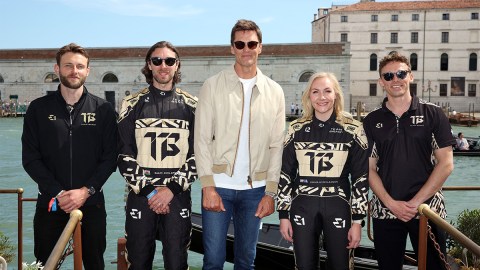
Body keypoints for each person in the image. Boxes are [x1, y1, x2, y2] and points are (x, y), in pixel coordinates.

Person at [194, 19, 286, 269]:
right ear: (232, 48)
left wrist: (270, 191)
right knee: (212, 260)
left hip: (256, 190)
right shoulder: (212, 86)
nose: (246, 48)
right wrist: (207, 186)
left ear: (260, 47)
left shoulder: (275, 91)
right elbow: (201, 139)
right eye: (240, 43)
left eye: (251, 43)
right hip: (219, 186)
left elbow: (277, 146)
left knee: (246, 260)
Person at [21, 43, 118, 269]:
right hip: (52, 203)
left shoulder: (103, 110)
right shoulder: (38, 109)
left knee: (95, 264)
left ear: (87, 71)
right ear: (57, 69)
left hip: (92, 204)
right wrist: (59, 192)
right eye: (68, 66)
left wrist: (86, 191)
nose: (74, 71)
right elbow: (30, 159)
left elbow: (110, 158)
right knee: (45, 263)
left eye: (80, 66)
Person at [363, 51, 455, 270]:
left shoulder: (433, 114)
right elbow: (368, 168)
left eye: (401, 73)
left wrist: (416, 204)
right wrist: (391, 203)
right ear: (381, 82)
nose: (395, 79)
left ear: (410, 76)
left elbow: (446, 163)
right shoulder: (371, 120)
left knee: (434, 266)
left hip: (428, 208)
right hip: (385, 209)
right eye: (388, 76)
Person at [117, 41, 197, 270]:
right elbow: (123, 153)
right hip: (142, 196)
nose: (164, 65)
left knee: (176, 261)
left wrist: (170, 190)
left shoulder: (192, 105)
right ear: (149, 65)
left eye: (169, 61)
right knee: (139, 262)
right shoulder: (131, 104)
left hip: (177, 195)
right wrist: (151, 192)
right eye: (157, 60)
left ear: (177, 65)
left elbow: (200, 155)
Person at [277, 72, 369, 269]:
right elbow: (285, 174)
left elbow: (361, 178)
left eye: (327, 91)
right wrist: (283, 215)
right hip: (302, 206)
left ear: (336, 94)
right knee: (304, 266)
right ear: (308, 96)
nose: (322, 97)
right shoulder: (295, 128)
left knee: (341, 265)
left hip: (339, 206)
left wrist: (358, 221)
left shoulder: (354, 129)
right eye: (316, 92)